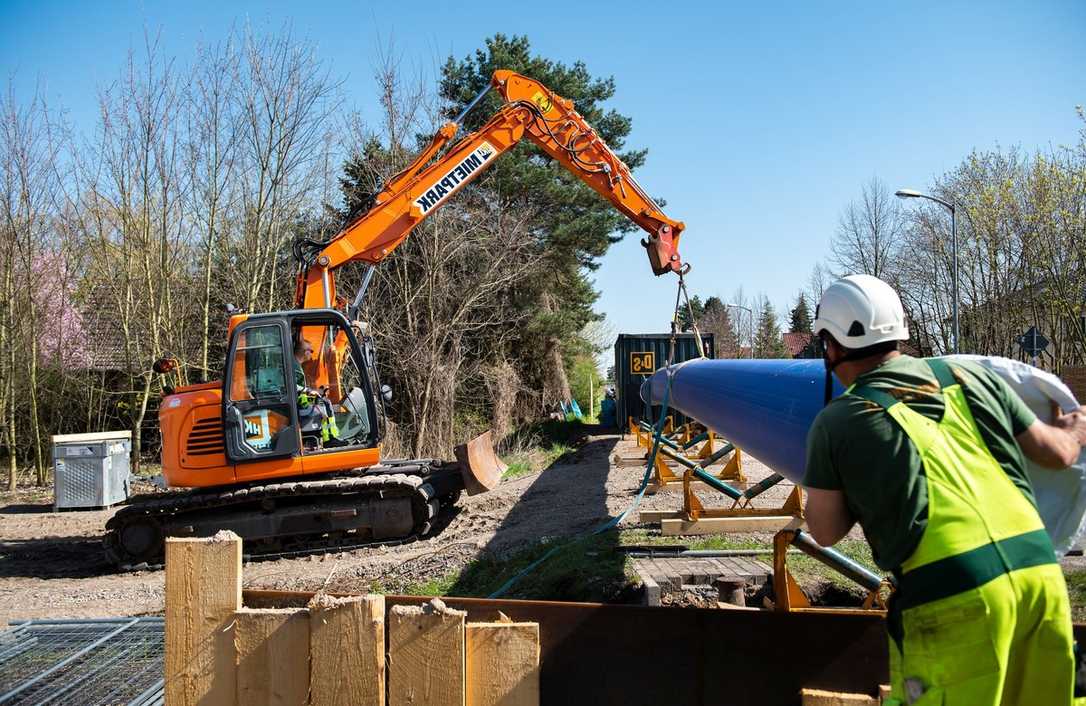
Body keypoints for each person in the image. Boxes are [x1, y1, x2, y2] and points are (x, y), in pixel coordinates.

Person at [803, 273, 1086, 706]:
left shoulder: (839, 420)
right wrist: (1076, 425)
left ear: (832, 346)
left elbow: (824, 531)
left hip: (953, 594)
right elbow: (1060, 453)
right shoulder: (970, 374)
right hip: (1039, 579)